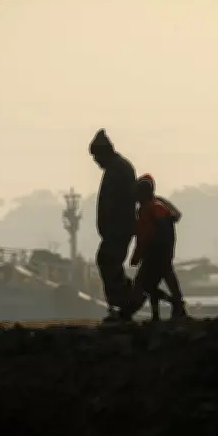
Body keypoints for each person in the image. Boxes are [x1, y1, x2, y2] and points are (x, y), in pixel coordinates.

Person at [120, 174, 188, 321]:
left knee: (145, 286)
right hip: (165, 254)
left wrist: (136, 257)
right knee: (162, 284)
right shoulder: (160, 207)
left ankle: (174, 305)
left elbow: (144, 236)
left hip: (153, 256)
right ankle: (167, 311)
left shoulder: (147, 210)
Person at [89, 128, 137, 321]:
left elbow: (120, 203)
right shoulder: (116, 168)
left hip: (119, 229)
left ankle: (125, 302)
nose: (95, 161)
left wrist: (113, 227)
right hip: (115, 230)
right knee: (109, 263)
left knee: (108, 262)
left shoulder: (119, 169)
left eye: (96, 156)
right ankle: (124, 301)